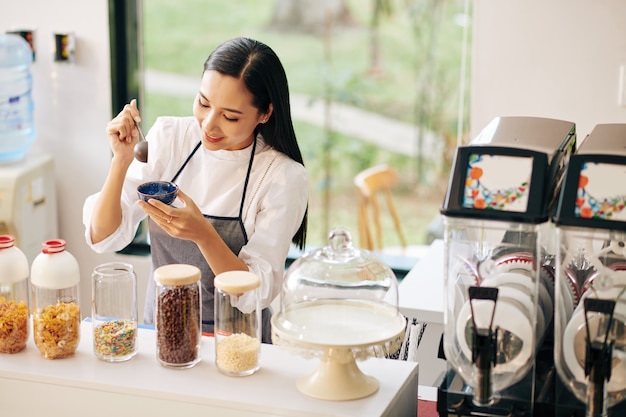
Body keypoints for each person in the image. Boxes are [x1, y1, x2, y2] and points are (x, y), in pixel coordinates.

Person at [83, 37, 308, 343]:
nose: (209, 125)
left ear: (265, 113)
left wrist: (203, 233)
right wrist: (121, 160)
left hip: (236, 345)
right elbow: (103, 236)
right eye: (203, 103)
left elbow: (256, 292)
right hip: (160, 332)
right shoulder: (170, 138)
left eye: (230, 116)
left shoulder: (280, 175)